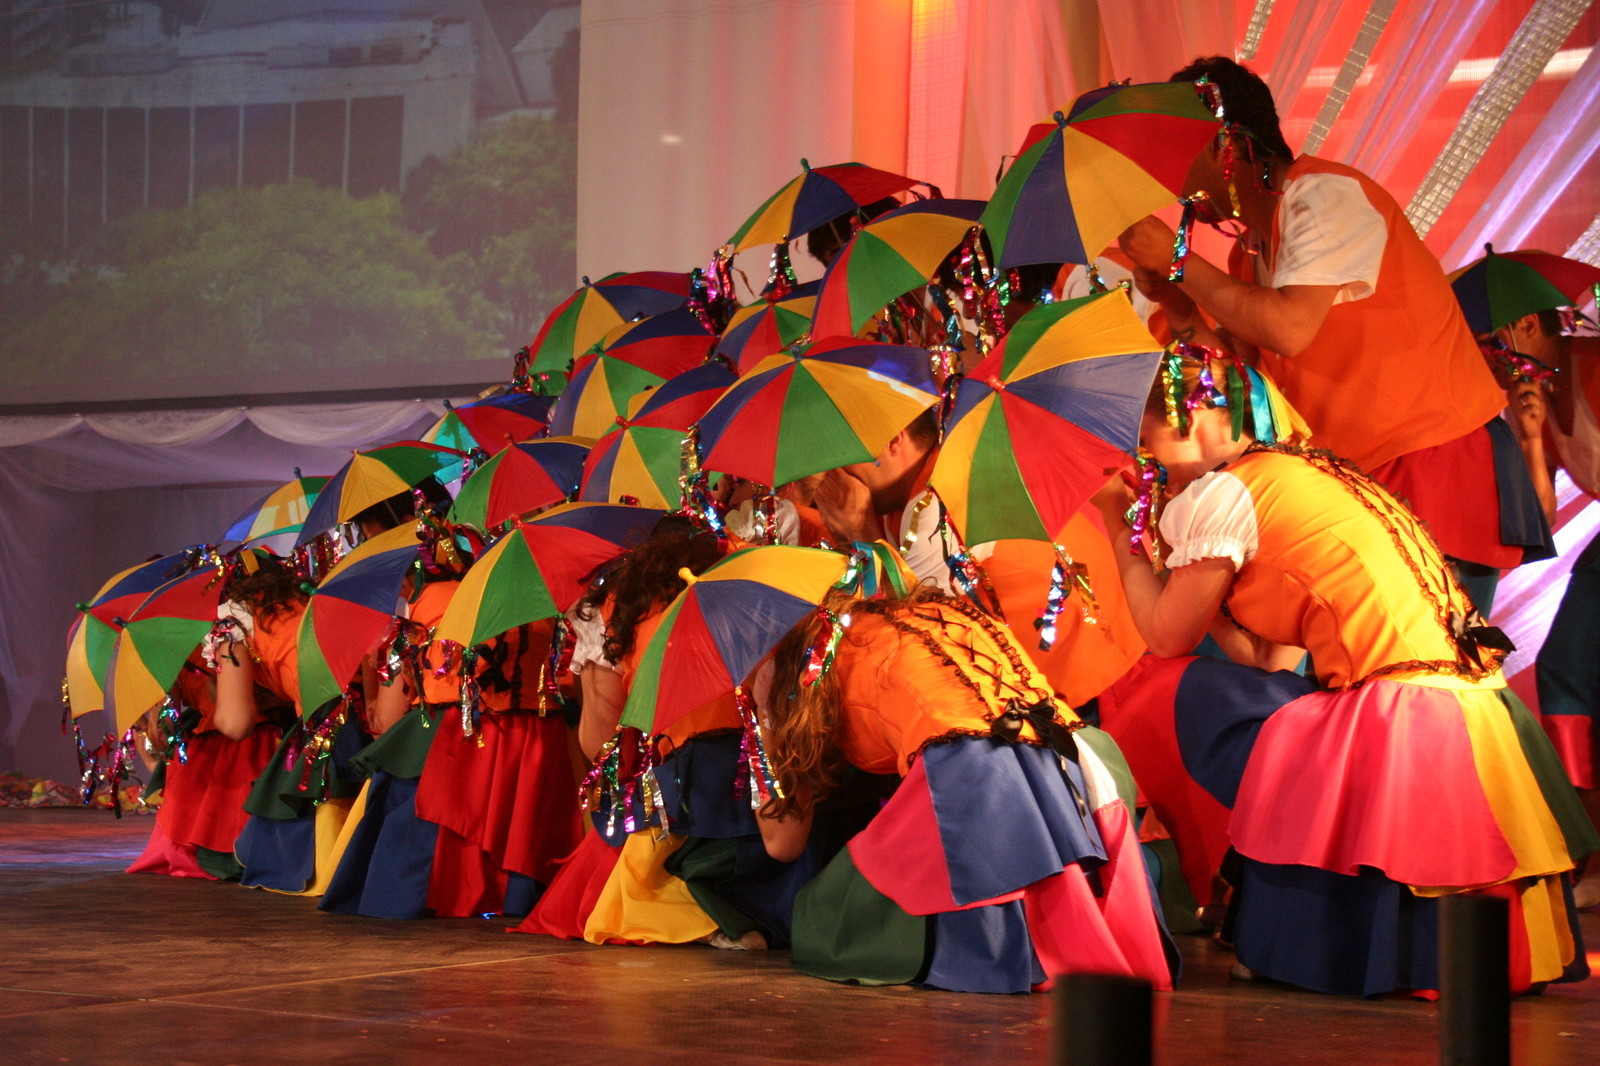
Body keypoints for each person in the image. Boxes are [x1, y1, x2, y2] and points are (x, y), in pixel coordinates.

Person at [1092, 349, 1595, 995]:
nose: (1147, 461)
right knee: (1258, 700)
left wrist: (1118, 529)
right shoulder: (1306, 470)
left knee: (1162, 689)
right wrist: (1197, 583)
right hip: (1473, 701)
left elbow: (1165, 638)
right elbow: (1264, 660)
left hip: (1400, 706)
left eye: (1145, 441)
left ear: (1188, 418)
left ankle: (1263, 909)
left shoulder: (1224, 493)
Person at [1117, 56, 1550, 615]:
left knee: (1429, 657)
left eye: (1178, 153)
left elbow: (1289, 328)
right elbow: (1243, 387)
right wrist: (1178, 305)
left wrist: (1178, 259)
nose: (1171, 180)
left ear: (1227, 144)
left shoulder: (1323, 194)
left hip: (1432, 459)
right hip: (1362, 477)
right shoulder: (1249, 254)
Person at [753, 584, 1177, 994]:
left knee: (822, 919)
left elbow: (782, 843)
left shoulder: (808, 669)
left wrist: (765, 715)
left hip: (978, 785)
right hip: (1083, 763)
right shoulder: (923, 614)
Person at [1489, 307, 1600, 908]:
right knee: (1564, 672)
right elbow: (1540, 518)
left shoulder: (1591, 365)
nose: (1493, 349)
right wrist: (1530, 438)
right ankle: (1585, 849)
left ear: (1528, 324)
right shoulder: (1534, 391)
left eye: (1496, 335)